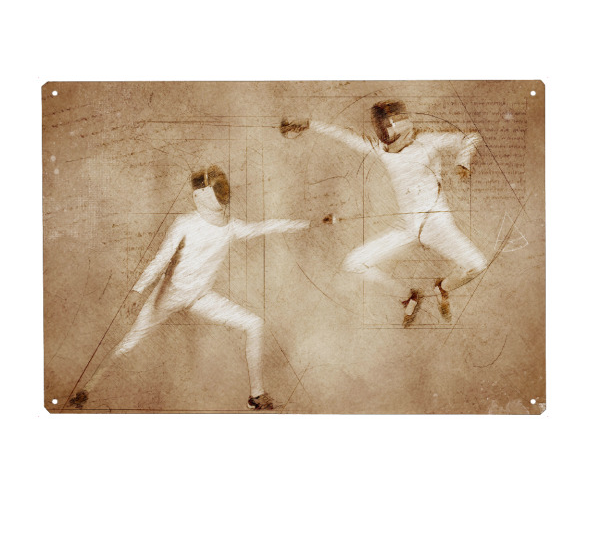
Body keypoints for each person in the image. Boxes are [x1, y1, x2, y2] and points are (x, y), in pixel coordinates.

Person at [71, 165, 323, 410]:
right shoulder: (185, 223)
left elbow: (267, 226)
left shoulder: (231, 227)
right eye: (217, 188)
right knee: (130, 342)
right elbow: (161, 259)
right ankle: (86, 389)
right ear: (201, 195)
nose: (223, 192)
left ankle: (256, 396)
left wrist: (311, 223)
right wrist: (137, 290)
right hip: (168, 296)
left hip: (200, 297)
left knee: (254, 324)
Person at [280, 101, 487, 326]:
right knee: (353, 264)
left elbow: (471, 137)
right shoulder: (380, 148)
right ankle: (407, 296)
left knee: (477, 265)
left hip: (437, 226)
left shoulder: (427, 140)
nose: (386, 135)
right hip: (406, 228)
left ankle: (443, 287)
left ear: (400, 124)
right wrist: (309, 123)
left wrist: (463, 162)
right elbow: (343, 135)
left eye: (387, 126)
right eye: (381, 128)